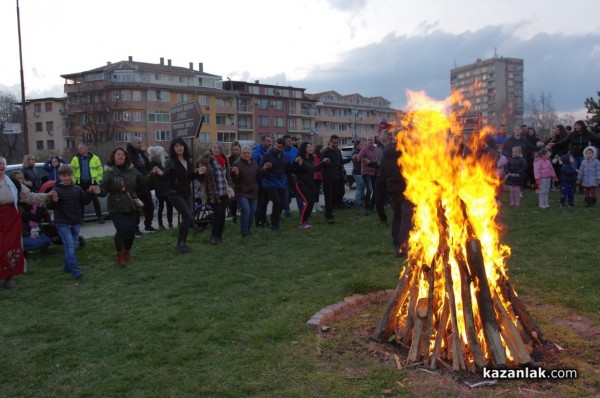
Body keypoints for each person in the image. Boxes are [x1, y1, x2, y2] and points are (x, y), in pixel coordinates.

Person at [97, 148, 160, 266]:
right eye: (118, 154)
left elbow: (143, 181)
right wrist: (98, 190)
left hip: (131, 205)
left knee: (131, 232)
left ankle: (127, 252)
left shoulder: (131, 169)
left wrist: (152, 173)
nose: (121, 156)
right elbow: (104, 189)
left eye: (123, 155)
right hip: (116, 206)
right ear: (114, 157)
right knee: (122, 230)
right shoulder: (109, 171)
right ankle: (119, 256)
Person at [1, 156, 54, 289]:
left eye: (2, 164)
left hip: (11, 220)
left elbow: (29, 197)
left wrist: (47, 195)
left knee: (12, 248)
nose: (1, 166)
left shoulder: (13, 183)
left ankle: (8, 277)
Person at [47, 164, 94, 279]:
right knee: (69, 245)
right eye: (63, 176)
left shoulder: (77, 189)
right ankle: (74, 268)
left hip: (75, 221)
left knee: (74, 245)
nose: (66, 178)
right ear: (59, 176)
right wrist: (54, 201)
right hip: (62, 222)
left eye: (68, 175)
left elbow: (85, 201)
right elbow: (50, 206)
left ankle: (67, 266)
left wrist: (90, 192)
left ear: (72, 175)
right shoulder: (56, 190)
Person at [159, 137, 199, 252]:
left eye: (181, 145)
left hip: (187, 193)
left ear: (184, 147)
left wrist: (199, 173)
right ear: (173, 148)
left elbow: (191, 176)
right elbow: (164, 177)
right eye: (176, 146)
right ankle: (180, 243)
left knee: (188, 217)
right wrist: (159, 174)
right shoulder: (170, 162)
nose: (179, 148)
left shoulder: (188, 161)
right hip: (174, 193)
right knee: (187, 216)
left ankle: (183, 243)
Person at [378, 129, 412, 257]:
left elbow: (381, 173)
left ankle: (396, 243)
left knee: (397, 215)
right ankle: (402, 246)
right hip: (405, 188)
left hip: (392, 188)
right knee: (406, 217)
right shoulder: (406, 151)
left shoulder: (385, 152)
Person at [197, 142, 233, 244]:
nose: (216, 149)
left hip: (224, 192)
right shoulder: (207, 160)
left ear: (221, 149)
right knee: (218, 214)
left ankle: (219, 236)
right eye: (214, 147)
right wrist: (200, 170)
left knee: (222, 216)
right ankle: (214, 237)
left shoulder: (224, 160)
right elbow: (199, 173)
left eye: (218, 148)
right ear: (211, 149)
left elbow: (227, 176)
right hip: (213, 193)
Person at [11, 170, 53, 254]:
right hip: (19, 235)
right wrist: (28, 235)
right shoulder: (14, 207)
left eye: (21, 178)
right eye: (17, 179)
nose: (20, 180)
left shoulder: (25, 205)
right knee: (38, 243)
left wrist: (41, 207)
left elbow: (34, 218)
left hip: (26, 232)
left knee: (47, 240)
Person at [231, 145, 267, 237]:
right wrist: (236, 174)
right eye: (244, 153)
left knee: (252, 212)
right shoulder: (236, 164)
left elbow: (258, 177)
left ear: (251, 154)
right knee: (246, 210)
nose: (246, 154)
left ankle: (248, 229)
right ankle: (244, 232)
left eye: (248, 153)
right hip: (241, 191)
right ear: (241, 154)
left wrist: (263, 169)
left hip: (253, 191)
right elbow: (234, 180)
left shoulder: (254, 163)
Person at [259, 138, 290, 232]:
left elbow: (287, 169)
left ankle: (276, 220)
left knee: (282, 203)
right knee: (277, 201)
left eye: (279, 147)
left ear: (283, 148)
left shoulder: (285, 157)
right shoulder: (267, 155)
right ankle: (274, 224)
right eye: (276, 145)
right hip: (270, 181)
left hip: (281, 182)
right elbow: (261, 169)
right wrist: (266, 168)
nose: (276, 148)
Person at [318, 134, 351, 224]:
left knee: (336, 195)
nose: (336, 144)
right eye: (334, 143)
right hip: (327, 177)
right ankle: (329, 216)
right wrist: (325, 162)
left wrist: (351, 159)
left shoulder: (338, 151)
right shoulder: (326, 151)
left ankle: (328, 213)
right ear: (330, 142)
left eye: (337, 143)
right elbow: (321, 164)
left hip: (336, 176)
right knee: (328, 196)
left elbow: (340, 162)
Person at [126, 137, 155, 233]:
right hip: (135, 186)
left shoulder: (141, 153)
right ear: (133, 143)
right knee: (136, 208)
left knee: (149, 206)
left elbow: (148, 165)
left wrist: (151, 174)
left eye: (141, 142)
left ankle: (148, 225)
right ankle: (135, 228)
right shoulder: (128, 155)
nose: (141, 144)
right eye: (139, 142)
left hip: (145, 184)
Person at [71, 143, 104, 223]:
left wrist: (97, 181)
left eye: (81, 148)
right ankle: (81, 219)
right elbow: (72, 171)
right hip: (80, 183)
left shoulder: (95, 158)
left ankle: (100, 217)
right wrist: (74, 182)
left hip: (91, 182)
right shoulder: (75, 159)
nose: (79, 150)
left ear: (86, 149)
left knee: (95, 200)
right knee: (80, 202)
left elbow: (100, 170)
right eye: (78, 149)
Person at [148, 145, 173, 229]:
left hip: (164, 187)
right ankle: (163, 224)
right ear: (159, 153)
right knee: (163, 206)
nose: (165, 152)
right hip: (161, 187)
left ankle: (167, 223)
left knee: (166, 206)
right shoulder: (155, 163)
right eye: (163, 151)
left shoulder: (163, 161)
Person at [294, 142, 317, 229]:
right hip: (301, 184)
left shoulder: (310, 159)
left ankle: (305, 221)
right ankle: (302, 223)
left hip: (311, 184)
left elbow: (314, 169)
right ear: (304, 149)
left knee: (311, 203)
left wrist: (323, 163)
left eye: (311, 146)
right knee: (309, 202)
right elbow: (292, 169)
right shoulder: (299, 159)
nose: (311, 148)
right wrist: (296, 163)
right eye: (308, 147)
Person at [252, 135, 272, 228]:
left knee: (265, 202)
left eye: (270, 141)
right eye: (268, 141)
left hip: (267, 182)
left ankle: (264, 220)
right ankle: (258, 222)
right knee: (260, 203)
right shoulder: (256, 153)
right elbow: (254, 168)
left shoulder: (268, 151)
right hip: (259, 182)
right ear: (263, 141)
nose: (270, 143)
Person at [358, 135, 381, 215]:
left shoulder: (378, 149)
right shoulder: (364, 150)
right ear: (366, 141)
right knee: (370, 189)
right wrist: (363, 159)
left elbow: (380, 159)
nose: (370, 141)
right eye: (369, 140)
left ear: (373, 141)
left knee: (376, 190)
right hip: (366, 172)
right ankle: (366, 208)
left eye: (371, 140)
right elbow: (359, 158)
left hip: (375, 172)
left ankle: (372, 206)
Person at [282, 135, 299, 217]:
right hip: (284, 175)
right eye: (288, 141)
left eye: (291, 141)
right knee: (286, 194)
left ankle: (302, 210)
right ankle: (287, 211)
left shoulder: (295, 150)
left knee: (298, 193)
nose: (290, 142)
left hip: (294, 174)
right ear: (284, 142)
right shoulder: (281, 151)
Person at [227, 141, 242, 224]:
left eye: (237, 149)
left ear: (240, 149)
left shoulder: (243, 157)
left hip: (242, 181)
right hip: (232, 182)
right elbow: (226, 171)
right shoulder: (229, 159)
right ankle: (234, 216)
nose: (236, 151)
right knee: (233, 201)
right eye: (234, 150)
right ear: (231, 150)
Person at [350, 139, 365, 207]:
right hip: (357, 172)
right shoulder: (355, 151)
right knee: (360, 187)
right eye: (361, 144)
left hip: (361, 172)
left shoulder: (360, 151)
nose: (363, 145)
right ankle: (357, 202)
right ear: (357, 145)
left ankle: (361, 200)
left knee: (362, 187)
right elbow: (355, 158)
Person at [312, 144, 324, 213]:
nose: (322, 150)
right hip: (314, 176)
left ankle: (317, 204)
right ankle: (313, 206)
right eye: (321, 149)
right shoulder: (314, 156)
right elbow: (315, 166)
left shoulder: (321, 157)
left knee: (317, 192)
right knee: (314, 192)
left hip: (320, 176)